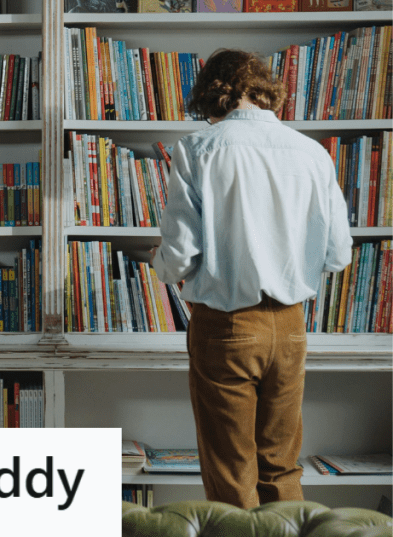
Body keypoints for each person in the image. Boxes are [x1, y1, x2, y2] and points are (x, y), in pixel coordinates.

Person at [151, 49, 352, 508]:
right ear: (264, 91)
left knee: (231, 471)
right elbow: (339, 254)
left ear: (211, 96)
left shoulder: (197, 149)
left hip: (226, 326)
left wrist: (160, 263)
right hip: (291, 327)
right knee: (282, 465)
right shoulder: (312, 153)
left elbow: (179, 257)